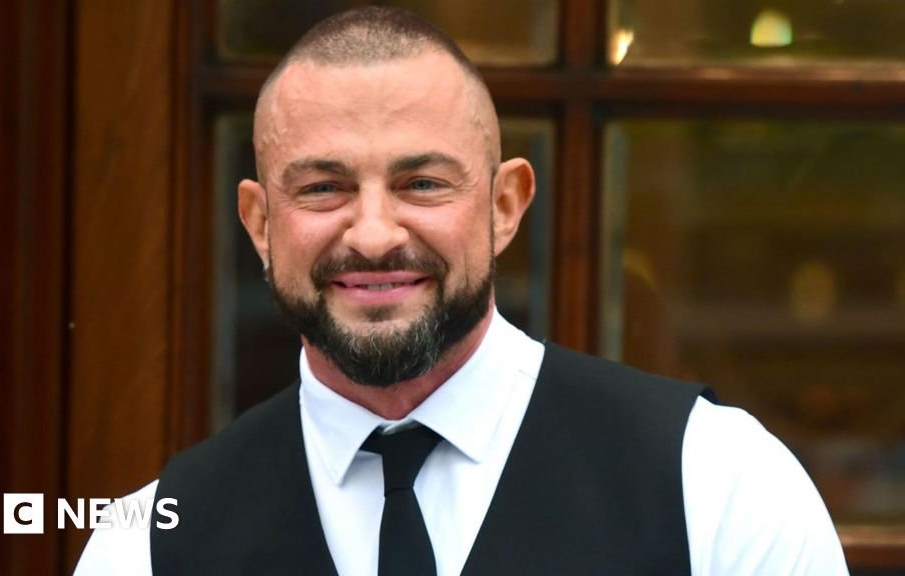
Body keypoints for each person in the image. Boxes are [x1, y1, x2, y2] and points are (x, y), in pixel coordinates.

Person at [75, 7, 848, 575]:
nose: (373, 234)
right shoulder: (146, 546)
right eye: (322, 187)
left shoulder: (714, 483)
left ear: (505, 205)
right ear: (259, 222)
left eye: (421, 183)